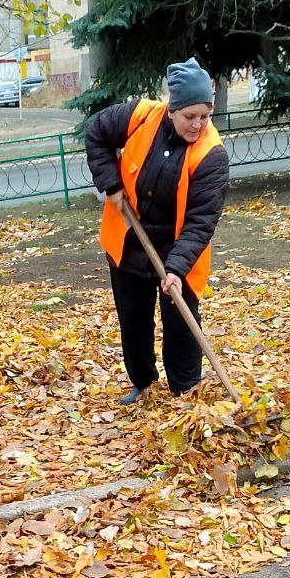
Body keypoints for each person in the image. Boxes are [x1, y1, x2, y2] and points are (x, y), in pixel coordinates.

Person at [86, 58, 229, 404]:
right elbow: (96, 134)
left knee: (181, 323)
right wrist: (111, 184)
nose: (197, 124)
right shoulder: (141, 116)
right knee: (133, 319)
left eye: (204, 116)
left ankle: (186, 391)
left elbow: (201, 222)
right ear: (171, 109)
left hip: (179, 248)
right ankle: (143, 383)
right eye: (189, 116)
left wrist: (176, 269)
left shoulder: (212, 155)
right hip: (128, 239)